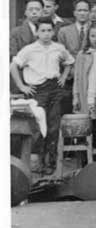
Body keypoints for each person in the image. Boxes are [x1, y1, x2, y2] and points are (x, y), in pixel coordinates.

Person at [10, 17, 75, 173]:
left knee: (53, 126)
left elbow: (69, 61)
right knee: (38, 127)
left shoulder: (58, 48)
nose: (46, 34)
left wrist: (64, 76)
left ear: (53, 31)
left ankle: (50, 163)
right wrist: (22, 86)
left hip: (54, 89)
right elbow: (13, 66)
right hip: (37, 91)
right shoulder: (29, 49)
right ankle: (35, 164)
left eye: (49, 30)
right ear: (37, 33)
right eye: (43, 31)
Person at [72, 24, 96, 117]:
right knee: (87, 118)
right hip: (85, 90)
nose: (95, 39)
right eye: (92, 36)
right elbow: (77, 77)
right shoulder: (82, 54)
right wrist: (76, 96)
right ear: (88, 37)